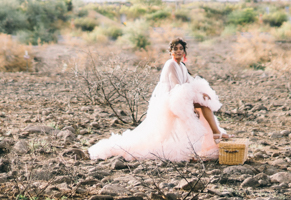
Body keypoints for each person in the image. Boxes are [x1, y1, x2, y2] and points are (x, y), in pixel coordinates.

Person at [88, 38, 229, 161]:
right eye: (175, 49)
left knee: (205, 105)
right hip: (171, 100)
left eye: (181, 49)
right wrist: (195, 100)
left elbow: (190, 83)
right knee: (203, 107)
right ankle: (214, 134)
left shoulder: (182, 66)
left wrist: (201, 94)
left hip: (179, 97)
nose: (179, 51)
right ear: (171, 51)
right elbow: (178, 87)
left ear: (184, 52)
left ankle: (214, 135)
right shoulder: (171, 64)